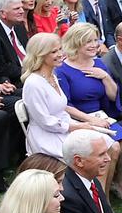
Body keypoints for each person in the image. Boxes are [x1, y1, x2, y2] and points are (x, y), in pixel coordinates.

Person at [22, 31, 116, 162]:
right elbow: (45, 122)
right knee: (96, 154)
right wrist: (78, 126)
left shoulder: (52, 76)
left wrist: (83, 125)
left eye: (60, 49)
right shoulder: (33, 83)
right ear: (40, 55)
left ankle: (97, 183)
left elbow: (62, 111)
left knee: (108, 143)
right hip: (47, 136)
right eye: (54, 52)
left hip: (65, 127)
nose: (60, 54)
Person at [57, 23, 122, 190]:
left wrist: (106, 77)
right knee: (113, 148)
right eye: (88, 41)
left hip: (102, 116)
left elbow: (113, 96)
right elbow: (65, 105)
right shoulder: (63, 70)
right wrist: (91, 120)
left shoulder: (99, 64)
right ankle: (102, 196)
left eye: (95, 40)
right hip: (78, 120)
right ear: (76, 44)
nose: (94, 45)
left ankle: (116, 182)